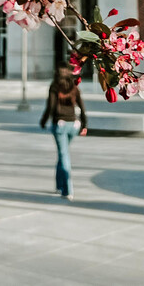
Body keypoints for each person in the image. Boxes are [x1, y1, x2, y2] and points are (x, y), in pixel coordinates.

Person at [39, 67, 87, 200]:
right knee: (62, 154)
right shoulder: (74, 87)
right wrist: (84, 124)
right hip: (73, 125)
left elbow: (51, 106)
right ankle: (59, 185)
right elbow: (82, 106)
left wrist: (43, 121)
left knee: (64, 155)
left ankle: (67, 190)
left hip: (60, 124)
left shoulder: (54, 87)